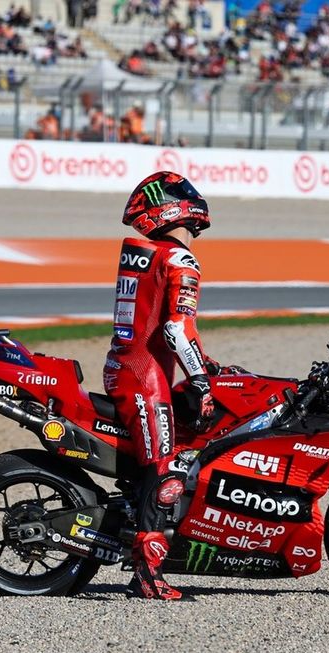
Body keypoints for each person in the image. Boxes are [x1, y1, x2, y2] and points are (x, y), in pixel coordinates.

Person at [103, 172, 218, 601]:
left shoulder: (144, 253)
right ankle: (147, 574)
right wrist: (200, 380)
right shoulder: (180, 259)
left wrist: (204, 364)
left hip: (124, 365)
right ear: (173, 208)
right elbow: (176, 329)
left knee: (161, 460)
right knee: (164, 466)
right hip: (144, 376)